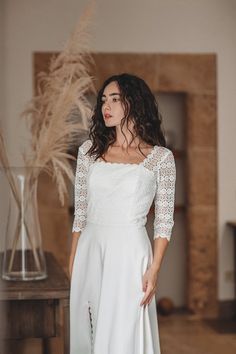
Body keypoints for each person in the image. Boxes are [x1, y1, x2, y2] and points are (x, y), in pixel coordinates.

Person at [69, 73, 176, 354]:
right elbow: (80, 215)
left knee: (125, 333)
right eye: (104, 99)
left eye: (115, 99)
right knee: (89, 333)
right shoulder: (87, 153)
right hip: (90, 250)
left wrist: (154, 269)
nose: (107, 106)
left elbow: (164, 222)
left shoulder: (161, 158)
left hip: (131, 255)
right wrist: (73, 263)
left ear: (134, 103)